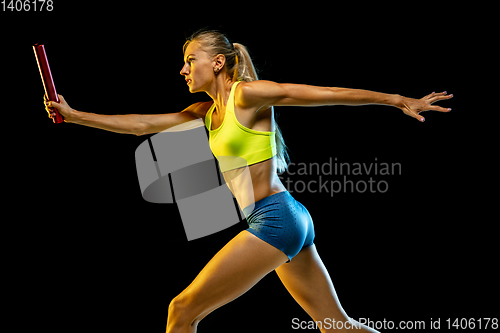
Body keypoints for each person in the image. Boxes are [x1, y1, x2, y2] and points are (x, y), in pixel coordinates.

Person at [44, 29, 452, 333]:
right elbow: (141, 125)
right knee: (338, 326)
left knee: (181, 311)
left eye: (191, 60)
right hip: (287, 218)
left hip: (275, 218)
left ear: (217, 63)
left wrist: (396, 99)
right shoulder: (204, 112)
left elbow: (321, 93)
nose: (183, 69)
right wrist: (76, 115)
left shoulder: (246, 95)